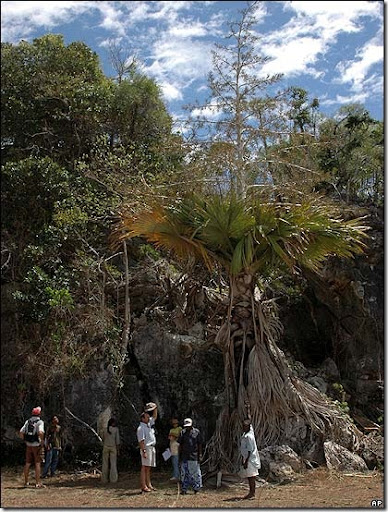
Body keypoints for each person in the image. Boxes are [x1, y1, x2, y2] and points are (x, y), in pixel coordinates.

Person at [19, 406, 45, 488]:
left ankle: (26, 482)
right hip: (36, 445)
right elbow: (40, 432)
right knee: (37, 464)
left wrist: (25, 440)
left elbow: (21, 432)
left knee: (27, 463)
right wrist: (42, 441)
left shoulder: (28, 421)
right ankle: (37, 483)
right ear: (39, 414)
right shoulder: (40, 422)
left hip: (28, 445)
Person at [177, 418, 203, 495]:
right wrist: (179, 456)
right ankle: (184, 489)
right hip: (184, 456)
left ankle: (196, 488)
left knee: (195, 473)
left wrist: (200, 454)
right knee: (184, 473)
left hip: (193, 456)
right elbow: (180, 445)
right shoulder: (182, 432)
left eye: (189, 426)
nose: (187, 428)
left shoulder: (196, 432)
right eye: (186, 426)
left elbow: (200, 444)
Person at [136, 402, 157, 492]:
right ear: (142, 418)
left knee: (148, 467)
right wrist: (143, 451)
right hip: (146, 448)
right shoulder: (141, 428)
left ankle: (149, 484)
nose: (149, 419)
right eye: (147, 417)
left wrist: (155, 408)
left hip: (152, 447)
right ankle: (143, 486)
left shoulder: (148, 424)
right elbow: (141, 441)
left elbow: (155, 417)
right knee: (144, 467)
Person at [239, 418, 261, 499]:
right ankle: (251, 492)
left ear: (248, 427)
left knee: (251, 477)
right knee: (250, 477)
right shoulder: (248, 433)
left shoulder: (248, 437)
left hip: (250, 460)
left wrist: (246, 461)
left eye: (245, 426)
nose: (243, 428)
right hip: (249, 459)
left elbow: (249, 450)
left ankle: (252, 493)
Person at [101, 417, 120, 484]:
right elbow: (117, 441)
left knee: (105, 463)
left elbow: (102, 438)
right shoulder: (116, 430)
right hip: (113, 447)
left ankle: (104, 479)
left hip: (106, 446)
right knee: (113, 464)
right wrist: (118, 450)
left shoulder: (105, 429)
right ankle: (113, 479)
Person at [168, 417, 182, 482]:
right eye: (173, 423)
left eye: (176, 423)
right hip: (172, 445)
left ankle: (177, 476)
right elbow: (169, 437)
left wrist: (173, 435)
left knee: (176, 461)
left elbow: (179, 436)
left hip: (177, 445)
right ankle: (175, 475)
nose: (174, 424)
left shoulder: (180, 429)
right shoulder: (171, 430)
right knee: (174, 461)